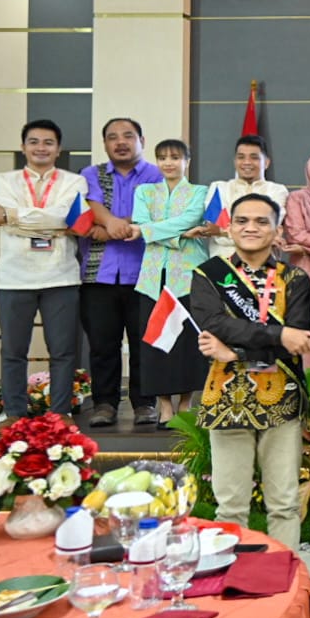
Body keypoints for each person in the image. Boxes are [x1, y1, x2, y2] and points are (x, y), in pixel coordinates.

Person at [189, 193, 310, 551]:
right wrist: (275, 336)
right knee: (230, 506)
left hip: (282, 398)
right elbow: (215, 323)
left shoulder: (295, 278)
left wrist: (236, 351)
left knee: (284, 503)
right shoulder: (209, 275)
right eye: (242, 221)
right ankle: (231, 575)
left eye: (262, 221)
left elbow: (297, 336)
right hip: (227, 399)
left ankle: (283, 576)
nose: (251, 228)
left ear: (277, 231)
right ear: (229, 228)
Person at [0, 120, 87, 427]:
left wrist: (12, 216)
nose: (41, 148)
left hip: (61, 276)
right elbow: (57, 220)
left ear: (58, 149)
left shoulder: (74, 182)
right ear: (23, 147)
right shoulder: (1, 181)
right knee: (13, 351)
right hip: (13, 278)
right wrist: (53, 222)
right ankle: (13, 413)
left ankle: (61, 413)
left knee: (63, 351)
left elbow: (67, 217)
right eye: (34, 142)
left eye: (48, 142)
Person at [79, 117, 165, 428]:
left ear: (142, 140)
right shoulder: (91, 174)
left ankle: (145, 403)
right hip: (98, 274)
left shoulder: (156, 175)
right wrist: (108, 222)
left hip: (145, 273)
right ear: (105, 144)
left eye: (128, 135)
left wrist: (113, 225)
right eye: (113, 137)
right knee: (102, 345)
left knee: (145, 344)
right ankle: (104, 404)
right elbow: (88, 209)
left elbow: (158, 214)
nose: (121, 142)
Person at [130, 139, 209, 427]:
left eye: (175, 157)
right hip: (153, 278)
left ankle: (186, 403)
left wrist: (153, 231)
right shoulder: (144, 191)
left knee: (187, 343)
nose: (168, 163)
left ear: (187, 161)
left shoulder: (200, 192)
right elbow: (140, 224)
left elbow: (190, 218)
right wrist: (181, 235)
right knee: (156, 343)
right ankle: (164, 406)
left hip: (187, 277)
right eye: (162, 157)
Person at [204, 134, 290, 261]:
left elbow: (268, 231)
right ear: (235, 161)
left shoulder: (277, 191)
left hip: (264, 265)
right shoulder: (219, 188)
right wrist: (256, 235)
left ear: (266, 163)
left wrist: (224, 231)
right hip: (222, 263)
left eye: (254, 157)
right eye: (241, 157)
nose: (247, 162)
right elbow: (214, 231)